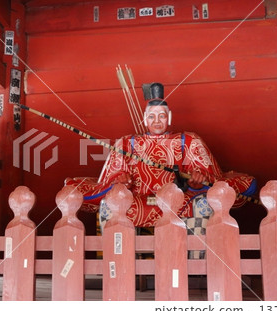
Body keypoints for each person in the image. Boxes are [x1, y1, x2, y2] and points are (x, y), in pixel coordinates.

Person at [65, 83, 256, 239]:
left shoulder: (188, 140)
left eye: (162, 116)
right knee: (110, 204)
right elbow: (108, 179)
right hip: (137, 201)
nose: (157, 121)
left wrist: (197, 182)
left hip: (182, 201)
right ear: (144, 119)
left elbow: (208, 175)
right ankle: (117, 261)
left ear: (169, 117)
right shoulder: (126, 143)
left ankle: (197, 266)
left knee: (204, 203)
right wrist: (120, 181)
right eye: (152, 116)